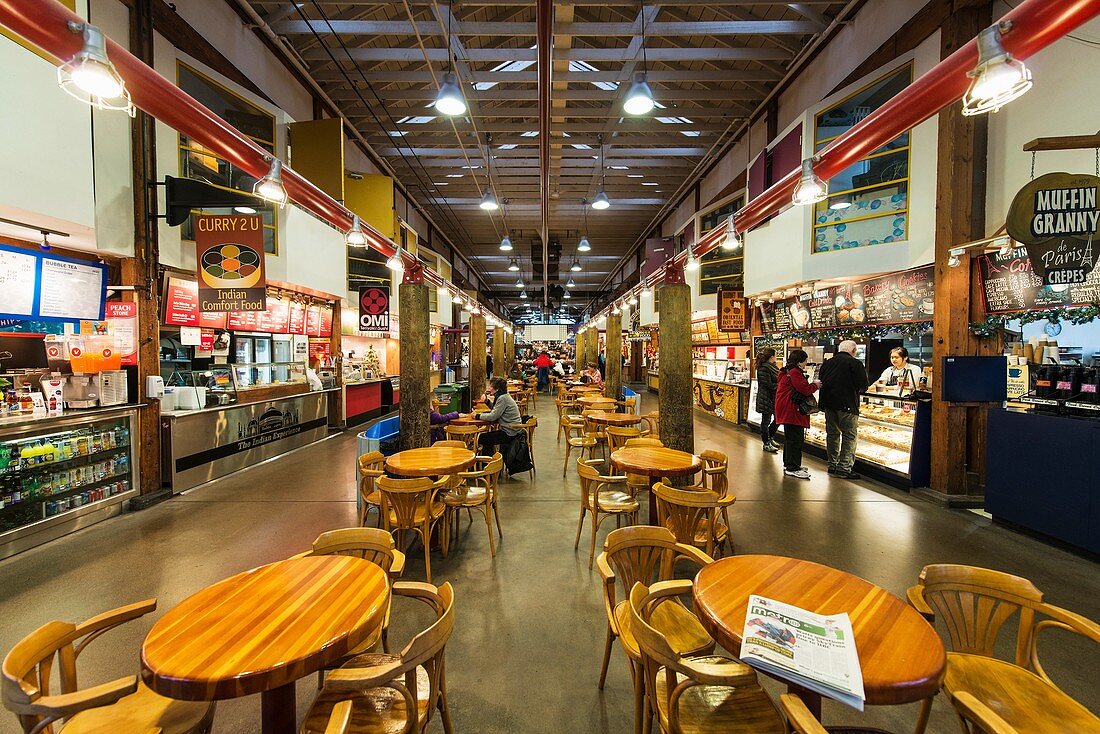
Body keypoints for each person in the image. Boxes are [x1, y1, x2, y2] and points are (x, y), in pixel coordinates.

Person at [819, 339, 869, 480]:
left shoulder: (827, 363)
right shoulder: (855, 363)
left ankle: (832, 464)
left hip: (829, 404)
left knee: (832, 434)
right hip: (847, 405)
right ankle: (844, 468)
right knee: (849, 436)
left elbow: (821, 381)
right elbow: (863, 385)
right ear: (853, 351)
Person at [774, 349, 820, 480]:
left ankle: (789, 464)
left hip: (785, 408)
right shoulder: (795, 372)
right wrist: (815, 385)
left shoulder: (785, 370)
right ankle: (792, 467)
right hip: (792, 410)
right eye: (805, 360)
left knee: (790, 439)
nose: (806, 363)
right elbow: (804, 389)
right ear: (800, 361)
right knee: (795, 439)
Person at [465, 377, 523, 456]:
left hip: (510, 432)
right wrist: (487, 401)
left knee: (481, 438)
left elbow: (493, 416)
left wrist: (477, 416)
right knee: (486, 438)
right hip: (512, 430)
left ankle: (489, 462)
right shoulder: (504, 396)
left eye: (491, 386)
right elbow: (497, 409)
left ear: (497, 389)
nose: (488, 388)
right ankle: (491, 460)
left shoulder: (502, 398)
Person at [754, 348, 781, 454]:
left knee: (778, 419)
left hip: (773, 397)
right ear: (771, 357)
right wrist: (781, 385)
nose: (776, 358)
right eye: (775, 355)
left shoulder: (773, 367)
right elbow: (767, 384)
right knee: (766, 421)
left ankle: (770, 437)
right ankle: (766, 443)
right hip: (766, 397)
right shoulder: (763, 368)